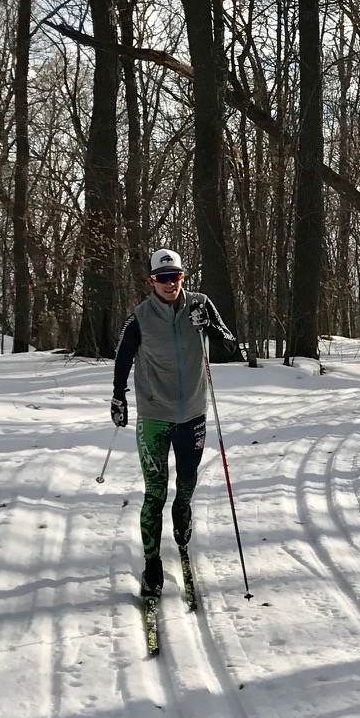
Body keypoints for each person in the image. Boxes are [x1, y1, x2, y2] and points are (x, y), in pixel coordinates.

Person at [111, 248, 234, 597]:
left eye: (175, 276)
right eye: (163, 278)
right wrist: (118, 397)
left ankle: (184, 510)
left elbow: (230, 346)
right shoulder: (139, 317)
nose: (170, 284)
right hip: (153, 416)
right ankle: (152, 569)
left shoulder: (201, 304)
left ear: (183, 276)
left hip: (193, 413)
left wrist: (208, 326)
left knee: (186, 483)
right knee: (154, 493)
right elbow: (122, 358)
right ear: (152, 281)